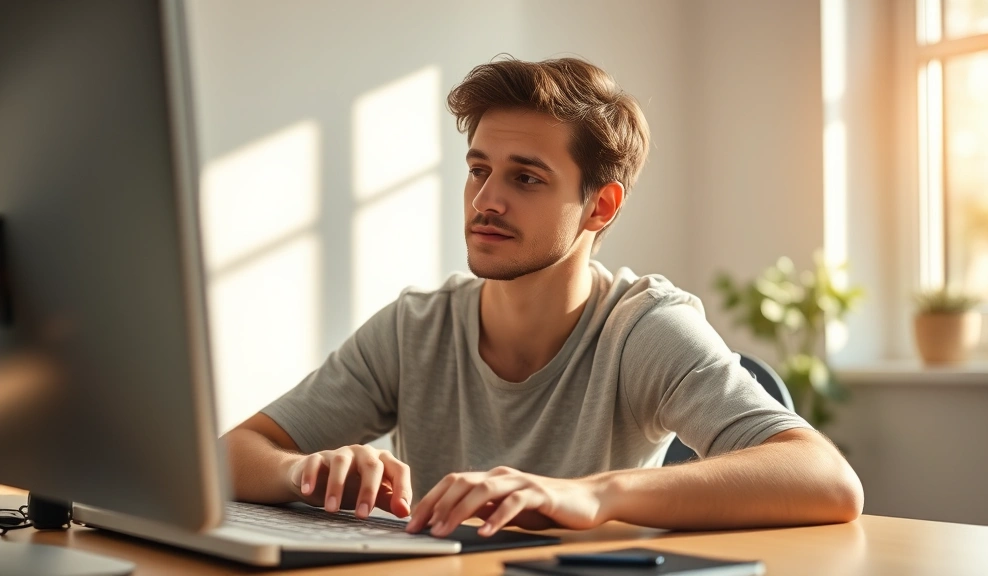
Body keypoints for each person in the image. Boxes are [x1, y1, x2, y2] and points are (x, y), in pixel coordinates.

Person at [224, 56, 863, 539]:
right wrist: (303, 474)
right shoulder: (414, 328)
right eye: (479, 170)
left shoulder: (644, 328)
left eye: (525, 178)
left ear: (600, 206)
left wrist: (593, 495)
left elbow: (827, 481)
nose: (485, 202)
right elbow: (230, 454)